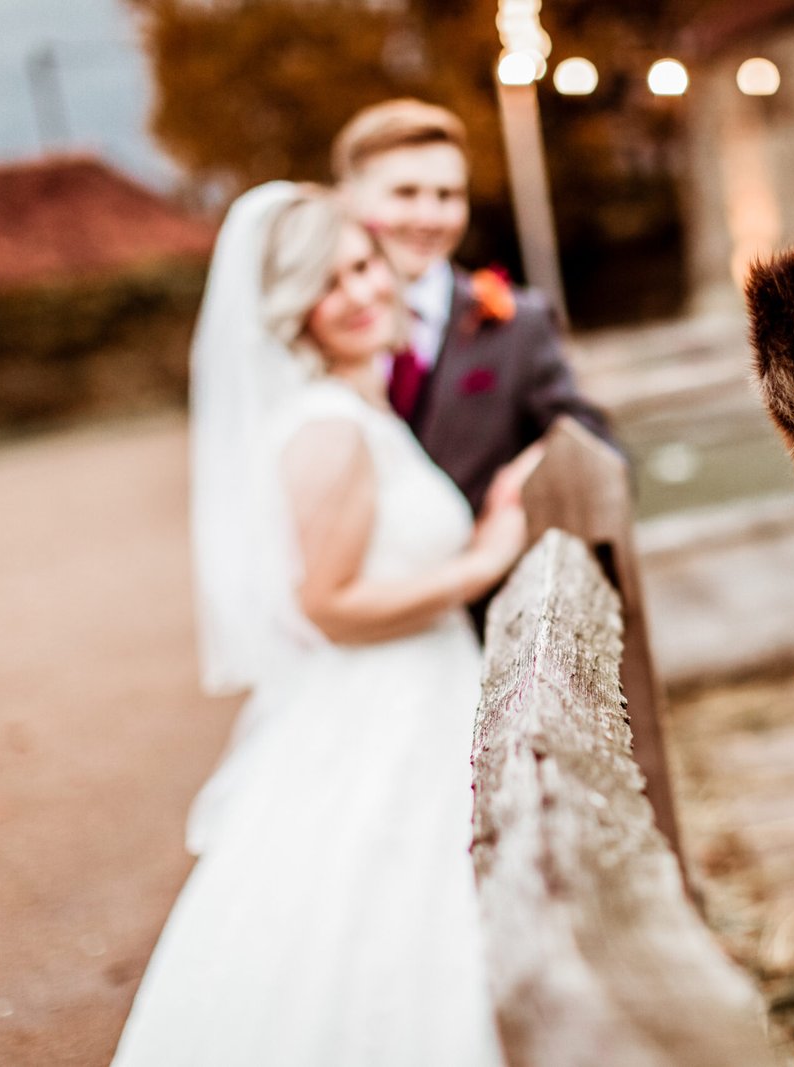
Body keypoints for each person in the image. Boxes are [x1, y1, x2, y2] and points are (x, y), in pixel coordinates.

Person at [111, 182, 530, 1065]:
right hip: (385, 709)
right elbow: (327, 606)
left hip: (420, 692)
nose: (366, 291)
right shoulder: (329, 430)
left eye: (364, 265)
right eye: (331, 282)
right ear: (293, 311)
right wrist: (484, 560)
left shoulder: (355, 406)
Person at [332, 98, 616, 515]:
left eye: (448, 195)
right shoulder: (319, 325)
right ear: (348, 199)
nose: (429, 217)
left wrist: (532, 469)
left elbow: (597, 446)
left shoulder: (522, 323)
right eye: (405, 193)